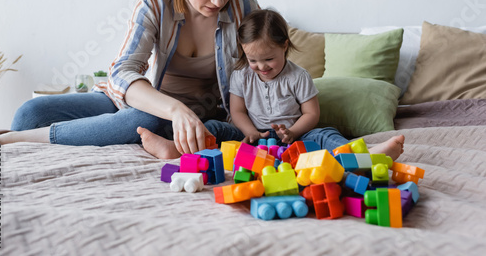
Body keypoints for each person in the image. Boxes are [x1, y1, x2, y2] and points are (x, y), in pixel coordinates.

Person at [0, 0, 260, 159]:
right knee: (29, 113)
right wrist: (174, 109)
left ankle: (15, 141)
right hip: (147, 102)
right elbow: (123, 71)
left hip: (196, 114)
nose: (218, 0)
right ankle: (23, 142)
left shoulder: (244, 8)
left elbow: (263, 73)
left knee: (144, 122)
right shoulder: (156, 0)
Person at [155, 9, 404, 160]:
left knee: (326, 135)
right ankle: (176, 148)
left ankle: (361, 156)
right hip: (251, 134)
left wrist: (293, 132)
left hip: (294, 136)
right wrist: (250, 131)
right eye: (253, 60)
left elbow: (311, 113)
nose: (262, 67)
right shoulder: (241, 74)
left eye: (269, 59)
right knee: (213, 127)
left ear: (285, 45)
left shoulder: (298, 76)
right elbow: (237, 111)